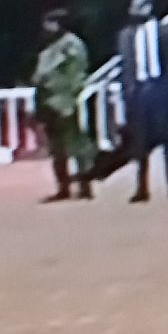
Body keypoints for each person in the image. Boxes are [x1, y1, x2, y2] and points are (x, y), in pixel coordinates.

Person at [114, 0, 168, 202]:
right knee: (139, 142)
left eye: (137, 6)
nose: (133, 11)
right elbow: (125, 67)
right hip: (138, 92)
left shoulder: (165, 31)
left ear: (148, 7)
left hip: (161, 89)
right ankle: (141, 188)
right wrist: (126, 93)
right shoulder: (126, 35)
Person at [32, 10, 97, 202]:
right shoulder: (48, 48)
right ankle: (63, 188)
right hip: (48, 102)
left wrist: (70, 98)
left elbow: (77, 75)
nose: (46, 28)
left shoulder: (72, 44)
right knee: (56, 148)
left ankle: (85, 187)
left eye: (50, 23)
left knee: (77, 147)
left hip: (65, 101)